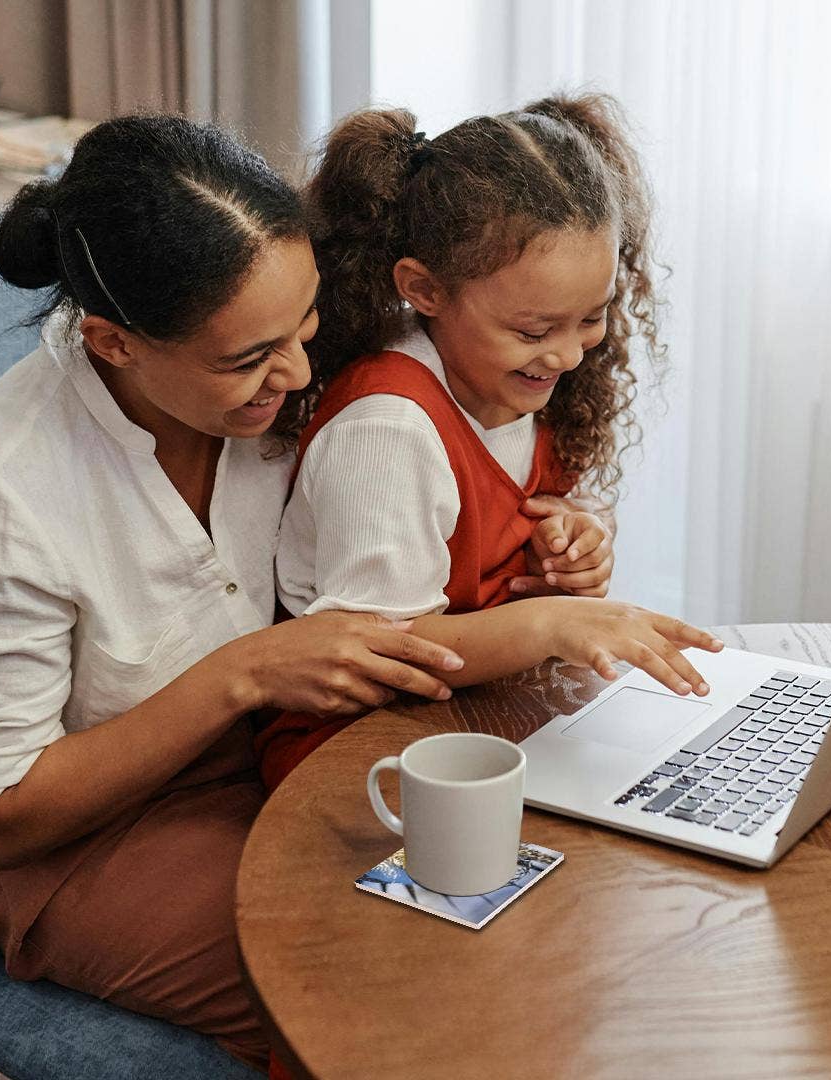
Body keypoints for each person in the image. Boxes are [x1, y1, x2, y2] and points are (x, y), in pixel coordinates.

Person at [0, 115, 465, 1070]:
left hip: (279, 762)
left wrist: (563, 522)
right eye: (248, 359)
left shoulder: (280, 384)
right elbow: (5, 809)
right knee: (374, 991)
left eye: (306, 327)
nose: (294, 375)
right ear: (113, 344)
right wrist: (244, 673)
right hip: (81, 839)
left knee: (505, 912)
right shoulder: (14, 490)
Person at [258, 93, 725, 794]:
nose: (568, 356)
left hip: (480, 717)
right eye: (536, 331)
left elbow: (518, 516)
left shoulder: (512, 382)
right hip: (357, 748)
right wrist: (553, 624)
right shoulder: (386, 430)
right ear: (423, 289)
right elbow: (387, 649)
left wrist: (577, 539)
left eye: (591, 319)